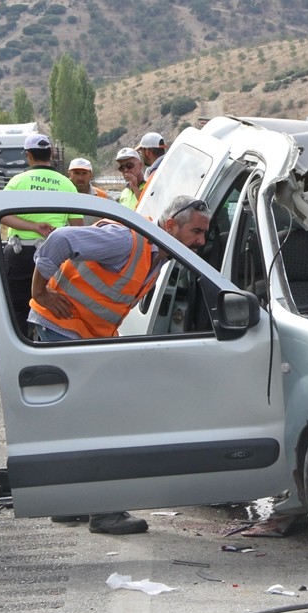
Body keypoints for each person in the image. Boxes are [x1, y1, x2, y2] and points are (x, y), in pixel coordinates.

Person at [28, 195, 211, 535]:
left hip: (81, 334)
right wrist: (40, 291)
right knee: (101, 421)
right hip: (64, 330)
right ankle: (105, 511)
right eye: (196, 232)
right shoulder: (126, 240)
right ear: (171, 226)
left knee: (77, 421)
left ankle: (69, 503)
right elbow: (60, 239)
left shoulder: (157, 255)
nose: (200, 241)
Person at [0, 134, 81, 335]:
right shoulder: (67, 184)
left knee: (17, 310)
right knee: (53, 307)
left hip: (19, 255)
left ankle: (21, 353)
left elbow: (2, 216)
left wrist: (33, 226)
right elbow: (77, 227)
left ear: (28, 155)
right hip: (56, 257)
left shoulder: (17, 181)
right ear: (51, 154)